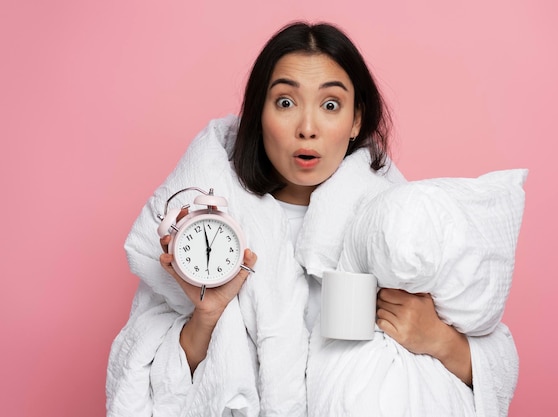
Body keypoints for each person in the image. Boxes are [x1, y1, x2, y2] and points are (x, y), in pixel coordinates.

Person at [106, 21, 518, 417]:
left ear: (356, 120)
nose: (307, 128)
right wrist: (208, 316)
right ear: (259, 114)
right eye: (285, 102)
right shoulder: (208, 231)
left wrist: (440, 341)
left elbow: (491, 368)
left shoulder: (396, 231)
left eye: (330, 105)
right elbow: (153, 383)